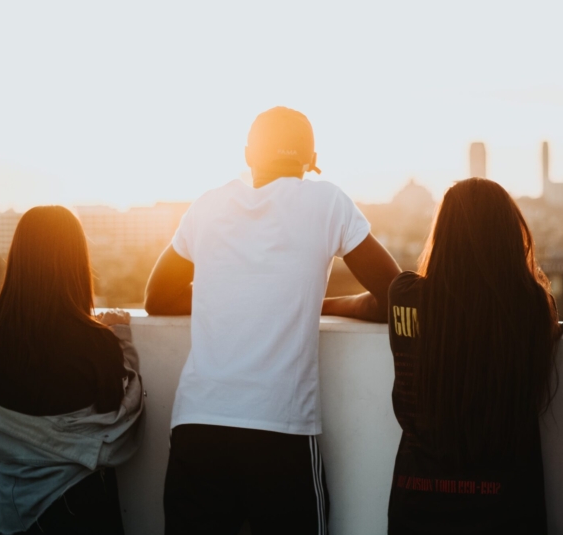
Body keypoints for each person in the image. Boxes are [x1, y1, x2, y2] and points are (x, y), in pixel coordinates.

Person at [146, 106, 402, 534]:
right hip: (279, 432)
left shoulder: (208, 205)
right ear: (311, 158)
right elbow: (398, 297)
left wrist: (230, 294)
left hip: (199, 426)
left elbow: (157, 298)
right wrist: (318, 303)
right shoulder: (327, 202)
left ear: (249, 154)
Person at [385, 178, 563, 534]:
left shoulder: (404, 295)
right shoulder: (531, 306)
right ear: (509, 235)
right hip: (506, 509)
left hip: (418, 506)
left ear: (443, 233)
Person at [0, 205, 144, 535]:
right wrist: (121, 339)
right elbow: (118, 416)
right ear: (75, 262)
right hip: (76, 505)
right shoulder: (94, 342)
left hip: (12, 506)